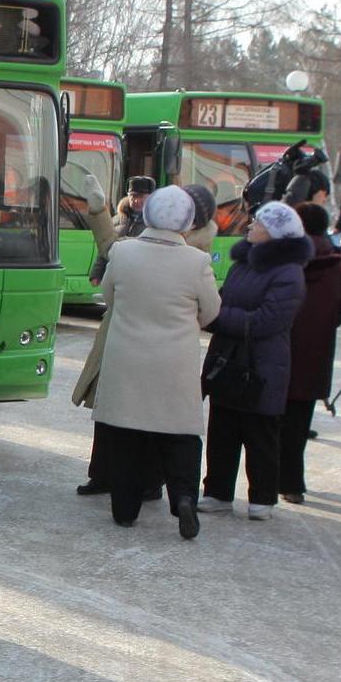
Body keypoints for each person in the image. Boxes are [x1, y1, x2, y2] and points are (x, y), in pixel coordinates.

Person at [72, 183, 216, 498]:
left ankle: (141, 484)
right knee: (123, 415)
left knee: (134, 416)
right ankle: (110, 476)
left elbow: (112, 280)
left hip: (129, 341)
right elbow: (209, 312)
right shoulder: (189, 253)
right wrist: (99, 214)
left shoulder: (190, 252)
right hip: (157, 349)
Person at [200, 202, 312, 520]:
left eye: (258, 223)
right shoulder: (243, 263)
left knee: (260, 433)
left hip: (262, 365)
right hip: (228, 359)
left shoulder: (289, 274)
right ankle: (217, 491)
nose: (250, 226)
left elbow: (267, 321)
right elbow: (219, 299)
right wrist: (213, 312)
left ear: (274, 232)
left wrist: (217, 317)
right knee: (222, 429)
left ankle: (262, 496)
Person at [278, 202, 341, 503]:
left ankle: (272, 480)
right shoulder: (337, 266)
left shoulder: (286, 261)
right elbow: (340, 314)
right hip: (317, 355)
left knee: (274, 422)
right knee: (299, 421)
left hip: (282, 350)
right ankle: (293, 484)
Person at [89, 175, 154, 285]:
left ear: (150, 197)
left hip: (141, 278)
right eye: (133, 196)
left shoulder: (154, 222)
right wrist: (97, 273)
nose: (136, 200)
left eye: (141, 196)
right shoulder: (116, 220)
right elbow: (106, 247)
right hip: (116, 276)